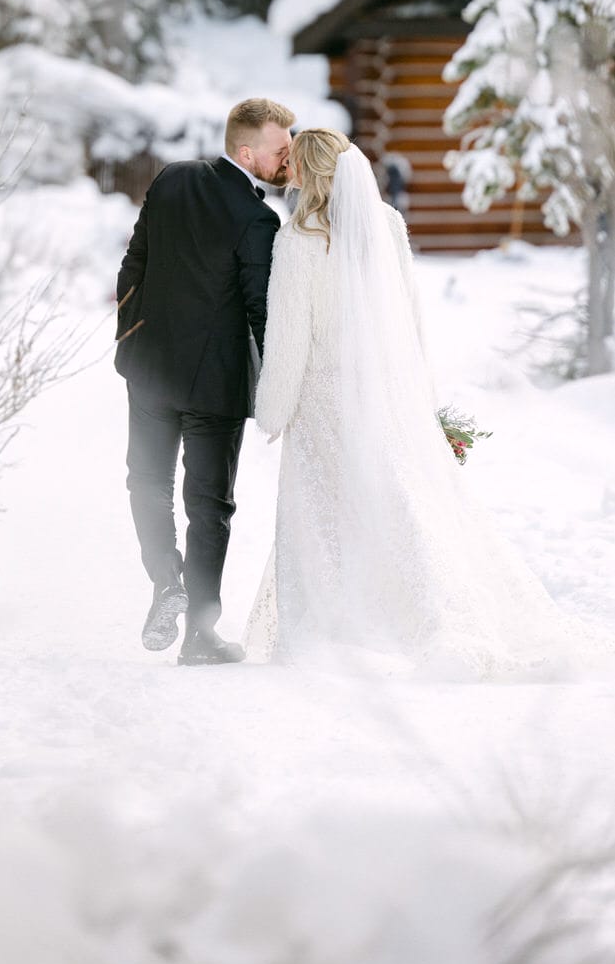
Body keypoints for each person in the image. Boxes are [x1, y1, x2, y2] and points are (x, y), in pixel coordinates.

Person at [249, 129, 607, 677]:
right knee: (394, 499)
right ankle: (422, 605)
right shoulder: (388, 227)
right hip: (385, 391)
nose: (287, 171)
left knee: (325, 515)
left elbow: (290, 334)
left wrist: (273, 410)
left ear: (310, 171)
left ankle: (337, 623)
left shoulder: (298, 239)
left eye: (293, 162)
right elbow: (410, 318)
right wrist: (418, 394)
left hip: (322, 400)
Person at [115, 98, 295, 665]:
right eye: (280, 148)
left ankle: (166, 581)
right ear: (248, 152)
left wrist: (130, 337)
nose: (289, 157)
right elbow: (260, 309)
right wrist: (278, 383)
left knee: (145, 482)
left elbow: (132, 265)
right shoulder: (257, 219)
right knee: (209, 506)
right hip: (214, 385)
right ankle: (199, 634)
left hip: (148, 368)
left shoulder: (173, 179)